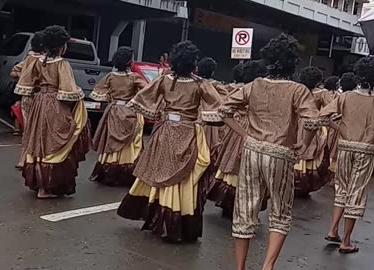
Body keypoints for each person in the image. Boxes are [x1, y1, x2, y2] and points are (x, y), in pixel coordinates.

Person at [218, 33, 322, 270]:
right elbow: (313, 121)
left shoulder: (254, 86)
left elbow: (223, 111)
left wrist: (244, 134)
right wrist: (304, 143)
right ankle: (268, 266)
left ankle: (241, 267)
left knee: (245, 209)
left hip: (252, 150)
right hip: (280, 153)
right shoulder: (298, 90)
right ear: (293, 62)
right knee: (280, 212)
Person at [117, 41, 224, 243]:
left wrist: (160, 113)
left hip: (165, 131)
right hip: (188, 131)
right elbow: (219, 110)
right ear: (194, 64)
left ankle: (158, 218)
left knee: (160, 171)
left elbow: (141, 99)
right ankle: (175, 220)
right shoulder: (201, 84)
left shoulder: (164, 80)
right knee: (184, 177)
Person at [22, 25, 90, 199]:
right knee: (56, 141)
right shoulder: (62, 64)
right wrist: (79, 94)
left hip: (40, 103)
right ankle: (47, 187)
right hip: (55, 104)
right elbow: (68, 90)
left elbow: (27, 84)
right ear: (61, 46)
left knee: (40, 141)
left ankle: (40, 185)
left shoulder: (38, 61)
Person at [207, 60, 268, 218]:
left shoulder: (242, 89)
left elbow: (224, 105)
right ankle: (244, 204)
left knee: (232, 163)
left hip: (237, 127)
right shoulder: (259, 91)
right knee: (245, 166)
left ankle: (232, 202)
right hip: (255, 129)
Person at [323, 62, 373, 254]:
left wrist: (340, 129)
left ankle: (333, 230)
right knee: (356, 193)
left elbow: (323, 115)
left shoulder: (345, 97)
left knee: (341, 189)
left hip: (344, 147)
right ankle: (346, 240)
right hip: (366, 150)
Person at [89, 47, 147, 186]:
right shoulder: (134, 77)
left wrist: (111, 98)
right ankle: (126, 172)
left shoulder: (110, 76)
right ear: (129, 61)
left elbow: (97, 92)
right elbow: (147, 90)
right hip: (129, 111)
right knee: (131, 143)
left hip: (114, 110)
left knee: (111, 140)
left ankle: (109, 170)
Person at [294, 67, 333, 197]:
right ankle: (304, 184)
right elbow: (330, 108)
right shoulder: (320, 94)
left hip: (295, 124)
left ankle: (292, 181)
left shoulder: (297, 90)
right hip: (311, 125)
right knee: (309, 152)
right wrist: (319, 117)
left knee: (295, 150)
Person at [11, 30, 46, 169]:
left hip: (26, 97)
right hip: (38, 97)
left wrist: (22, 79)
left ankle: (23, 159)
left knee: (28, 130)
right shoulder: (42, 61)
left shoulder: (28, 59)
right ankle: (31, 159)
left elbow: (13, 71)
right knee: (37, 130)